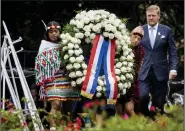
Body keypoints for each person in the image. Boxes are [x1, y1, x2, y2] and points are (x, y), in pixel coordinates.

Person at [35, 21, 80, 131]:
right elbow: (40, 62)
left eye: (56, 31)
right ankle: (53, 128)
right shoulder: (44, 45)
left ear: (60, 32)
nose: (54, 34)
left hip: (66, 77)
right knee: (56, 104)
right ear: (47, 33)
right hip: (51, 78)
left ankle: (66, 127)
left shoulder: (67, 44)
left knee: (67, 105)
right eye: (51, 32)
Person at [139, 5, 178, 117]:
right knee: (143, 97)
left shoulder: (167, 31)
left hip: (161, 72)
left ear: (158, 16)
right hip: (144, 71)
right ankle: (146, 117)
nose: (151, 18)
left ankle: (156, 123)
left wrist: (173, 69)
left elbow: (173, 52)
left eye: (153, 15)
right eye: (148, 16)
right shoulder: (140, 30)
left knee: (159, 103)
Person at [116, 26, 145, 117]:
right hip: (118, 83)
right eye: (134, 37)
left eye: (139, 39)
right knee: (119, 113)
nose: (136, 40)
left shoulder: (141, 51)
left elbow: (139, 68)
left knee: (129, 109)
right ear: (130, 35)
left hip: (131, 84)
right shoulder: (120, 45)